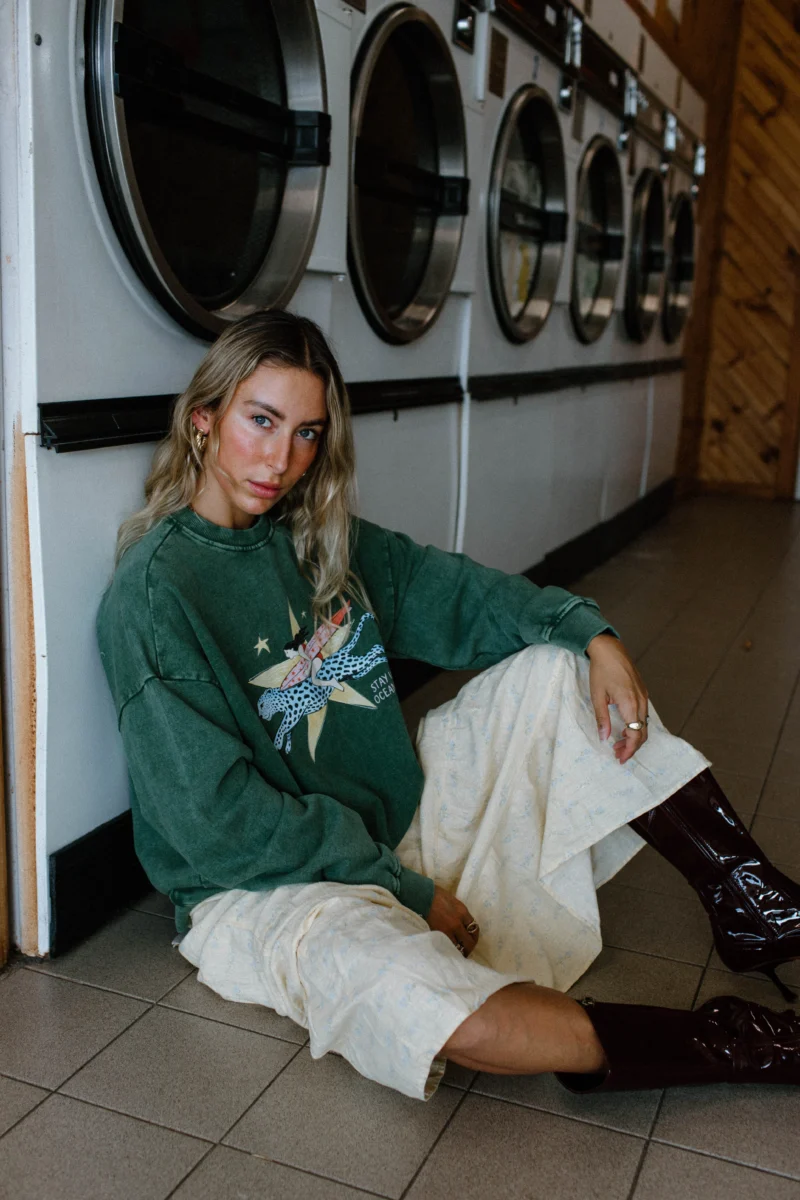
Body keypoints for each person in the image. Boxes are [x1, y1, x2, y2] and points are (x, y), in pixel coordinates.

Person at [97, 310, 800, 1101]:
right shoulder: (155, 597)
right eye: (261, 420)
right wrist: (403, 892)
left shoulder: (316, 536)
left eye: (306, 433)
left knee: (555, 667)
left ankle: (753, 901)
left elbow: (461, 594)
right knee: (426, 1007)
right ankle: (744, 1043)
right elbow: (217, 822)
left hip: (390, 829)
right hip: (263, 889)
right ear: (204, 419)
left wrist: (593, 635)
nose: (281, 459)